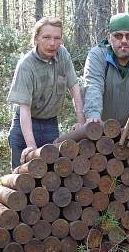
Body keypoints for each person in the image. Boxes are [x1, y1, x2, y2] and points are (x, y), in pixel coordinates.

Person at [7, 17, 85, 170]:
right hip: (26, 126)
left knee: (49, 176)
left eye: (57, 38)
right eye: (46, 37)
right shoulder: (26, 65)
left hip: (50, 125)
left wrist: (81, 121)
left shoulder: (63, 55)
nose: (52, 43)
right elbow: (24, 108)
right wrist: (31, 146)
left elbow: (74, 88)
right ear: (36, 38)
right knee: (22, 180)